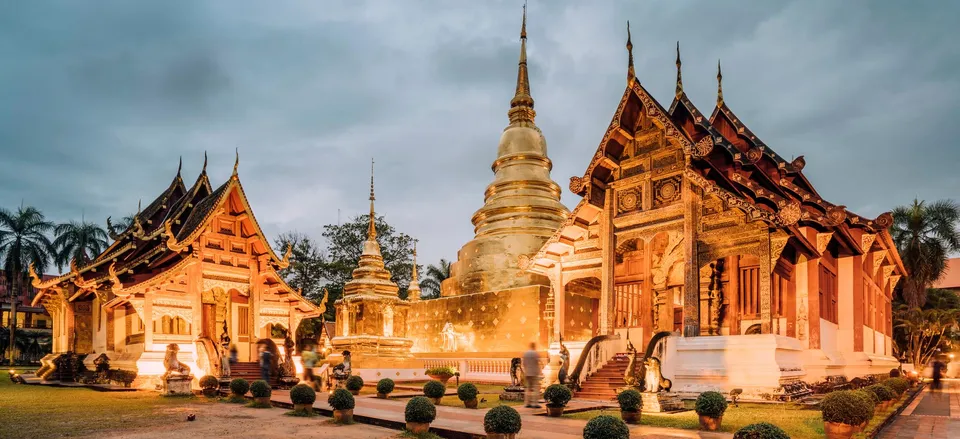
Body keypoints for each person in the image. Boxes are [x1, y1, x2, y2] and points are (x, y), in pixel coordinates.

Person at [522, 342, 542, 409]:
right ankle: (534, 403)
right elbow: (538, 362)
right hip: (534, 373)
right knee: (536, 388)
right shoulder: (535, 353)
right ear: (534, 346)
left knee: (527, 388)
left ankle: (527, 403)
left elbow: (524, 363)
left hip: (527, 373)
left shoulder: (526, 353)